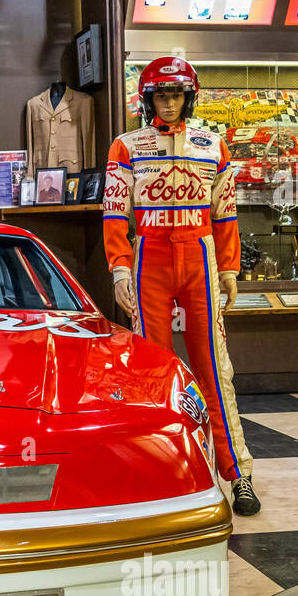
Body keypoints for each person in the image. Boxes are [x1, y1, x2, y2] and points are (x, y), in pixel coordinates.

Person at [103, 56, 260, 516]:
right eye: (160, 94)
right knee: (151, 368)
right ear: (147, 97)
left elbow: (226, 213)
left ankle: (238, 473)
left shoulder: (214, 144)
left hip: (200, 254)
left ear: (188, 96)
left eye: (175, 94)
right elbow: (115, 214)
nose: (168, 103)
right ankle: (159, 471)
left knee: (215, 366)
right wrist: (118, 267)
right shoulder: (126, 146)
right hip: (149, 254)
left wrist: (229, 268)